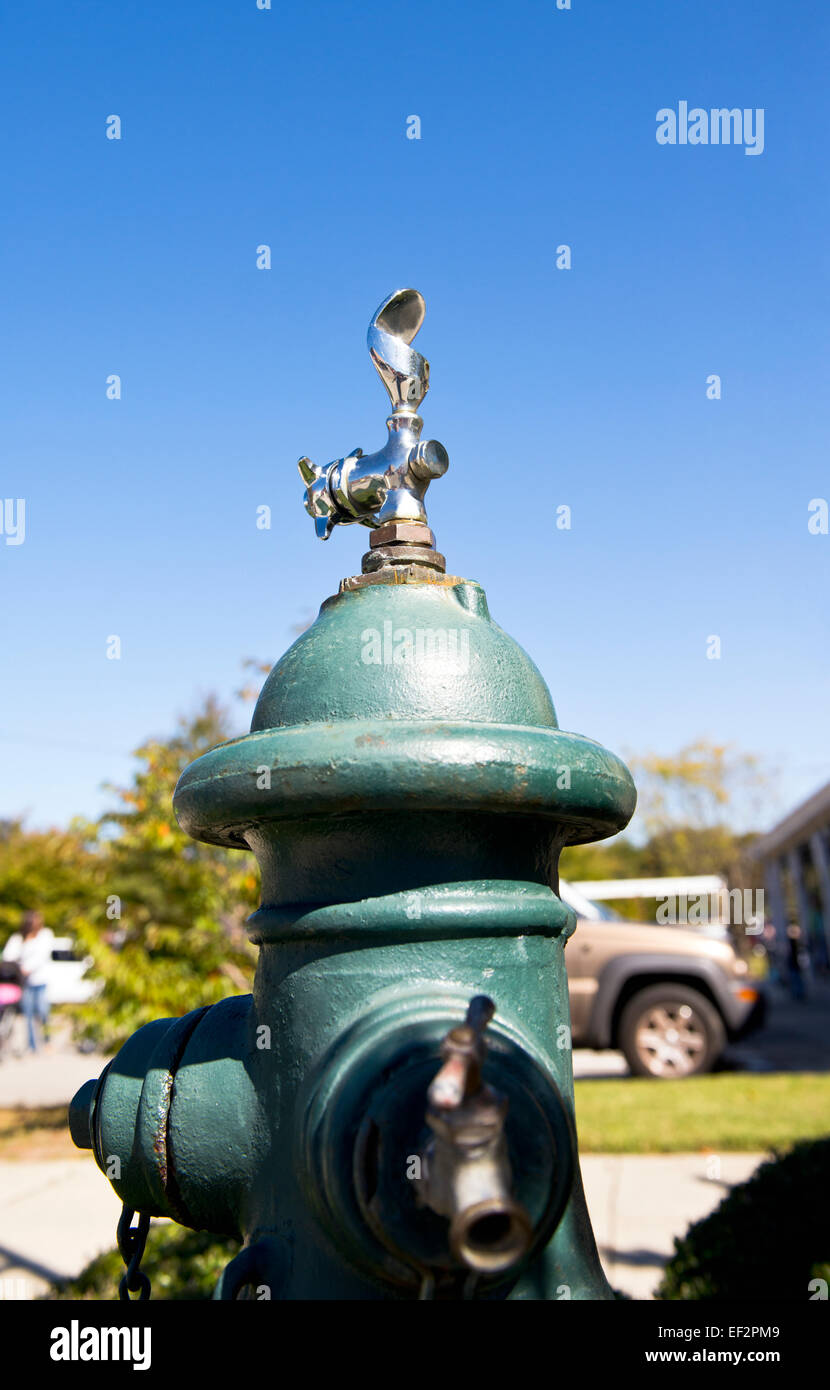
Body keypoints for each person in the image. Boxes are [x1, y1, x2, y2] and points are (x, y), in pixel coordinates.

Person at [1, 911, 55, 1052]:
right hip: (24, 983)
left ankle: (47, 1040)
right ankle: (32, 1046)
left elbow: (42, 955)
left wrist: (27, 968)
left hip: (40, 980)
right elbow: (9, 955)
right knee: (28, 1014)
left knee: (43, 1012)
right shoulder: (18, 938)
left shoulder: (45, 935)